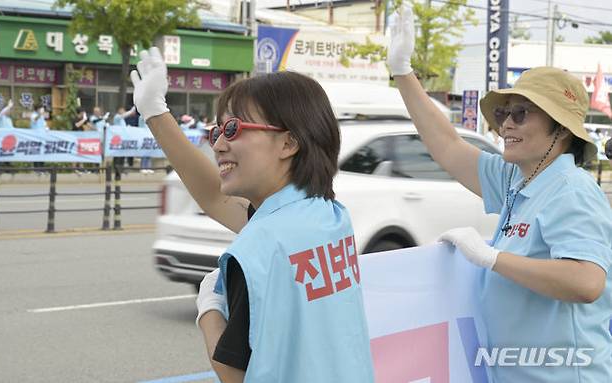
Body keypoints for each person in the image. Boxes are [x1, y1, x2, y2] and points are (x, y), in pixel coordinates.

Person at [388, 6, 612, 382]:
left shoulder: (572, 190)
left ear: (561, 129)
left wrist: (493, 258)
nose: (506, 123)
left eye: (521, 114)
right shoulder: (516, 178)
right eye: (505, 113)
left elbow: (587, 282)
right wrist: (402, 72)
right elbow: (447, 146)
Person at [130, 47, 374, 383]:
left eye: (233, 129)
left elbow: (233, 374)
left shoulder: (257, 250)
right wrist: (156, 112)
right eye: (217, 132)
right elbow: (216, 196)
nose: (217, 145)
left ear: (288, 143)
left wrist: (209, 309)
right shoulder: (328, 216)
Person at [30, 104, 48, 173]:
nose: (43, 110)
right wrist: (40, 114)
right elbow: (35, 119)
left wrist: (47, 128)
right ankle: (36, 169)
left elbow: (44, 125)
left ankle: (42, 168)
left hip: (42, 137)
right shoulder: (33, 115)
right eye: (41, 109)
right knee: (36, 152)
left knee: (42, 152)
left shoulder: (42, 117)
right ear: (37, 109)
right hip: (35, 137)